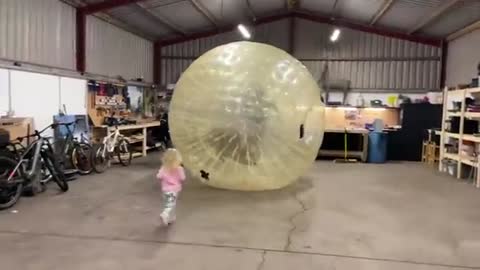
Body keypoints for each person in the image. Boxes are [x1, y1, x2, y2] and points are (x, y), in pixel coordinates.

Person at [157, 148, 186, 226]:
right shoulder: (179, 169)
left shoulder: (164, 168)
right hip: (174, 190)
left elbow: (159, 176)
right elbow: (183, 178)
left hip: (165, 189)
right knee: (172, 204)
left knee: (168, 203)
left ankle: (170, 218)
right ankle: (165, 214)